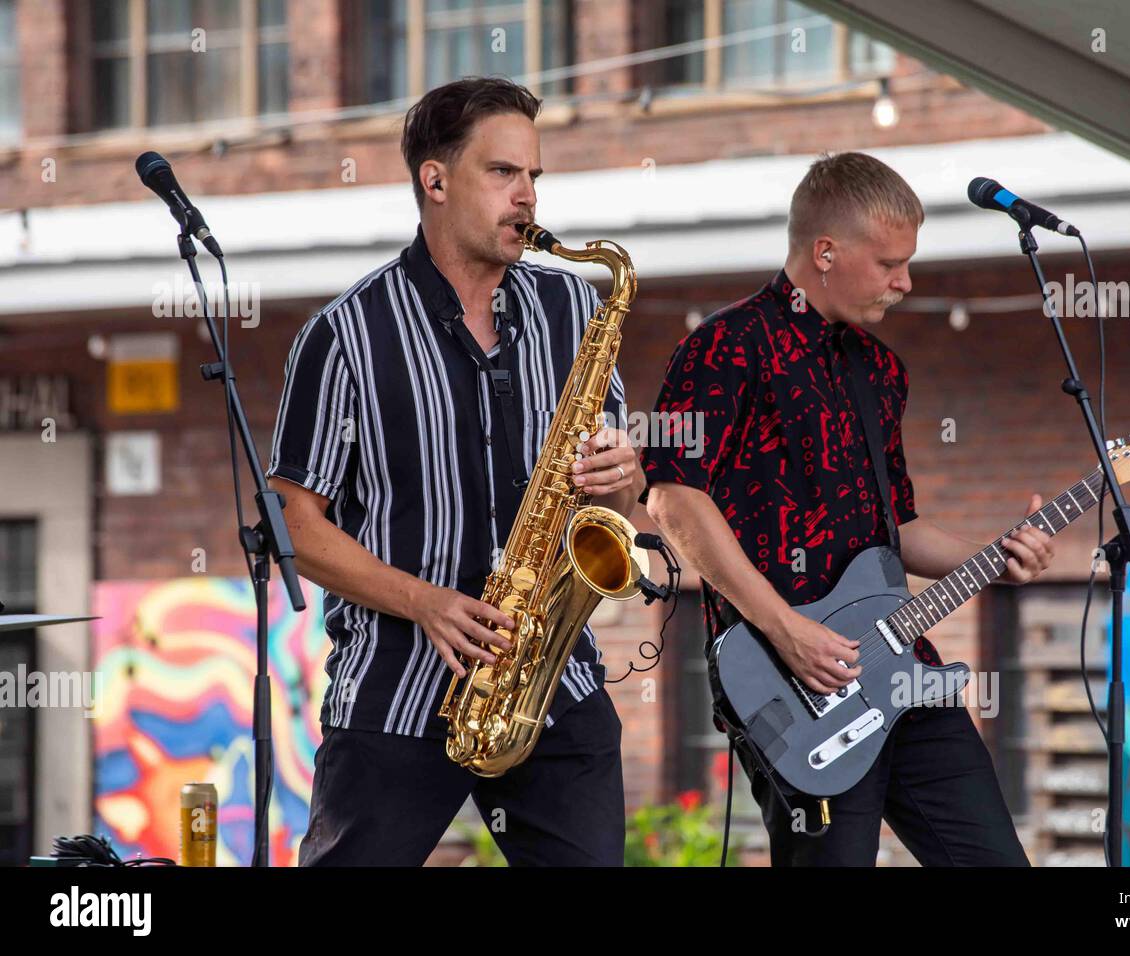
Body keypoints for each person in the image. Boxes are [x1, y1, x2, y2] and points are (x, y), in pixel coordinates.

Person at [268, 77, 644, 866]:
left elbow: (625, 497)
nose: (527, 198)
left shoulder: (574, 308)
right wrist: (426, 602)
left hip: (551, 684)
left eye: (534, 177)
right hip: (399, 695)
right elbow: (292, 526)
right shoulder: (346, 335)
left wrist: (621, 476)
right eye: (503, 173)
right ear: (434, 181)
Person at [640, 151, 1054, 866]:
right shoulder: (724, 347)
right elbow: (672, 499)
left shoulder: (880, 370)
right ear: (825, 252)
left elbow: (900, 529)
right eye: (890, 263)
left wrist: (995, 560)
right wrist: (788, 629)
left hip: (903, 670)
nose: (906, 282)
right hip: (790, 678)